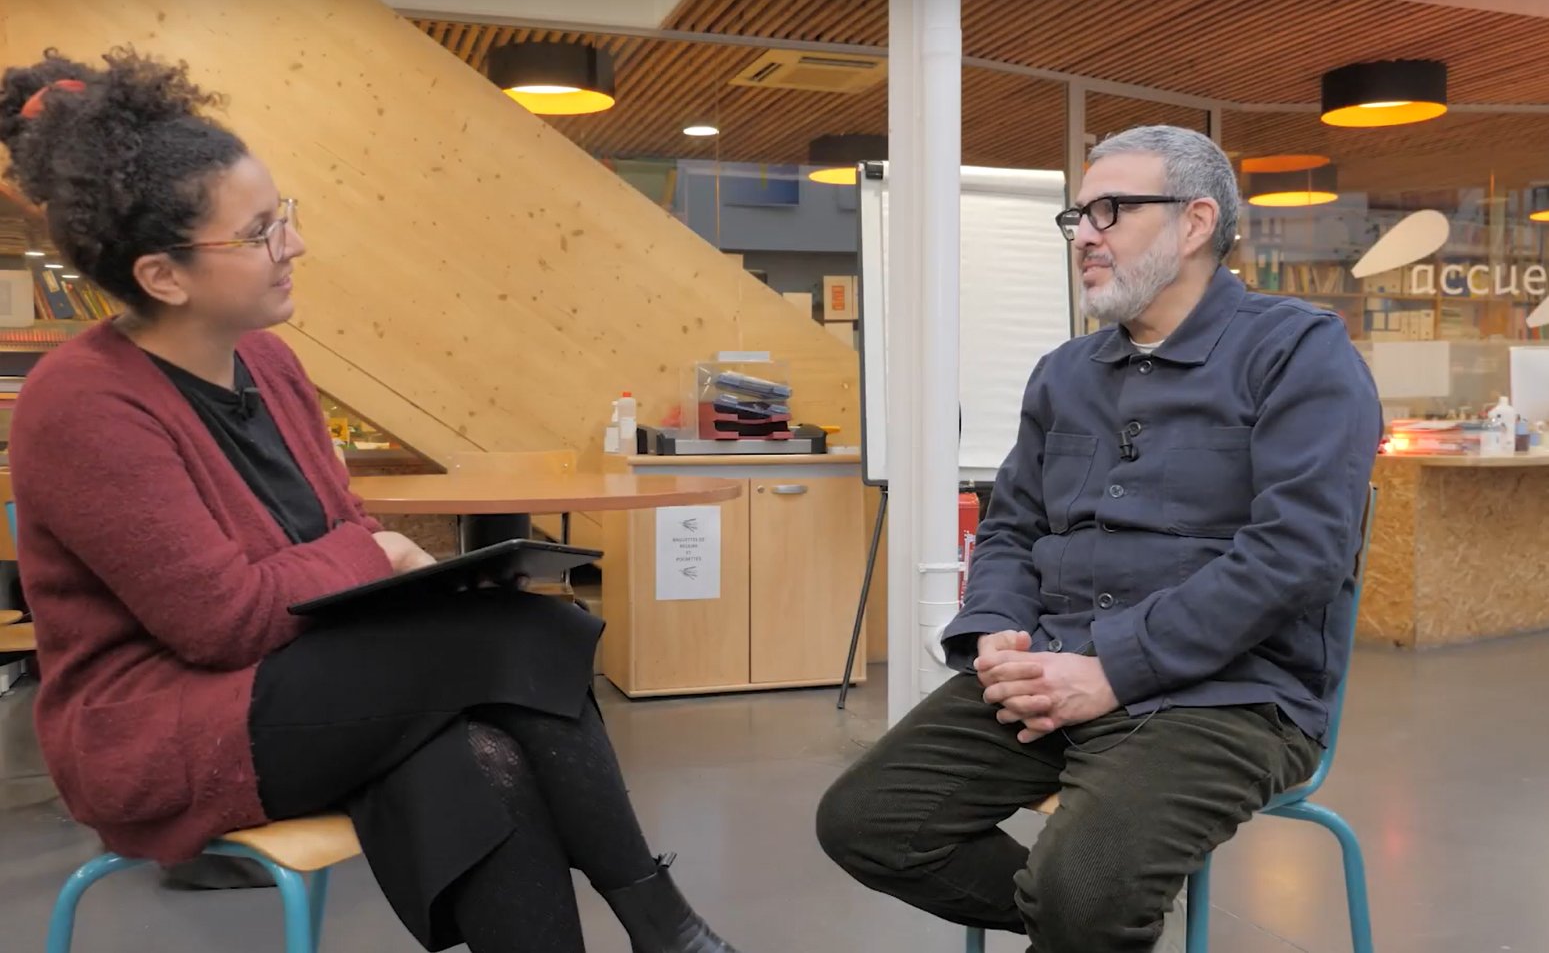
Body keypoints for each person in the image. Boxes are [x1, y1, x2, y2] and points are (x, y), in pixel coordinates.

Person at [1, 47, 743, 953]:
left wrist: (370, 557)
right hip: (162, 728)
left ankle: (665, 929)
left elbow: (333, 529)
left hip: (300, 675)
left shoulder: (268, 361)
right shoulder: (80, 403)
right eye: (262, 231)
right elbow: (222, 621)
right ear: (163, 276)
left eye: (285, 217)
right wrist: (384, 557)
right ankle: (665, 924)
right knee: (524, 633)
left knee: (474, 754)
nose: (295, 245)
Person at [816, 125, 1381, 953]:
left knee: (1081, 889)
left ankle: (1087, 916)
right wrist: (996, 636)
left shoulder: (1298, 353)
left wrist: (1114, 667)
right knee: (865, 821)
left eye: (1110, 210)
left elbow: (1296, 553)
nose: (1083, 233)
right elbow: (1011, 524)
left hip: (1231, 695)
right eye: (1078, 214)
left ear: (1193, 224)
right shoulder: (1064, 373)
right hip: (1053, 666)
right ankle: (1090, 924)